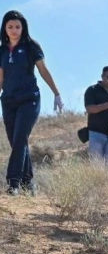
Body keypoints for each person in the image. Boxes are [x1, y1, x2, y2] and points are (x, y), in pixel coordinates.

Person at [0, 10, 63, 195]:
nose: (14, 30)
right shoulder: (2, 50)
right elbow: (1, 78)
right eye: (10, 27)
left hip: (29, 98)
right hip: (9, 100)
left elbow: (43, 70)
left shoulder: (31, 46)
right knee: (16, 141)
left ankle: (13, 184)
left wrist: (56, 93)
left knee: (20, 138)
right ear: (4, 28)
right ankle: (29, 183)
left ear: (23, 27)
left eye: (17, 27)